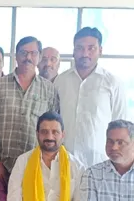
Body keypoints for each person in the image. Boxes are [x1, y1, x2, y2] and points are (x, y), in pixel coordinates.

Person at [0, 36, 60, 186]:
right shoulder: (1, 85)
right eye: (23, 53)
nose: (28, 58)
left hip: (36, 166)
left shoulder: (49, 89)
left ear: (39, 56)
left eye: (33, 53)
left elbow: (54, 129)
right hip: (4, 167)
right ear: (16, 56)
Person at [55, 27, 128, 168]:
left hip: (99, 162)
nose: (85, 53)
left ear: (100, 50)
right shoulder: (60, 81)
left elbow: (121, 126)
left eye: (91, 48)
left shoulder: (112, 83)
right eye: (80, 48)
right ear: (73, 51)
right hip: (64, 161)